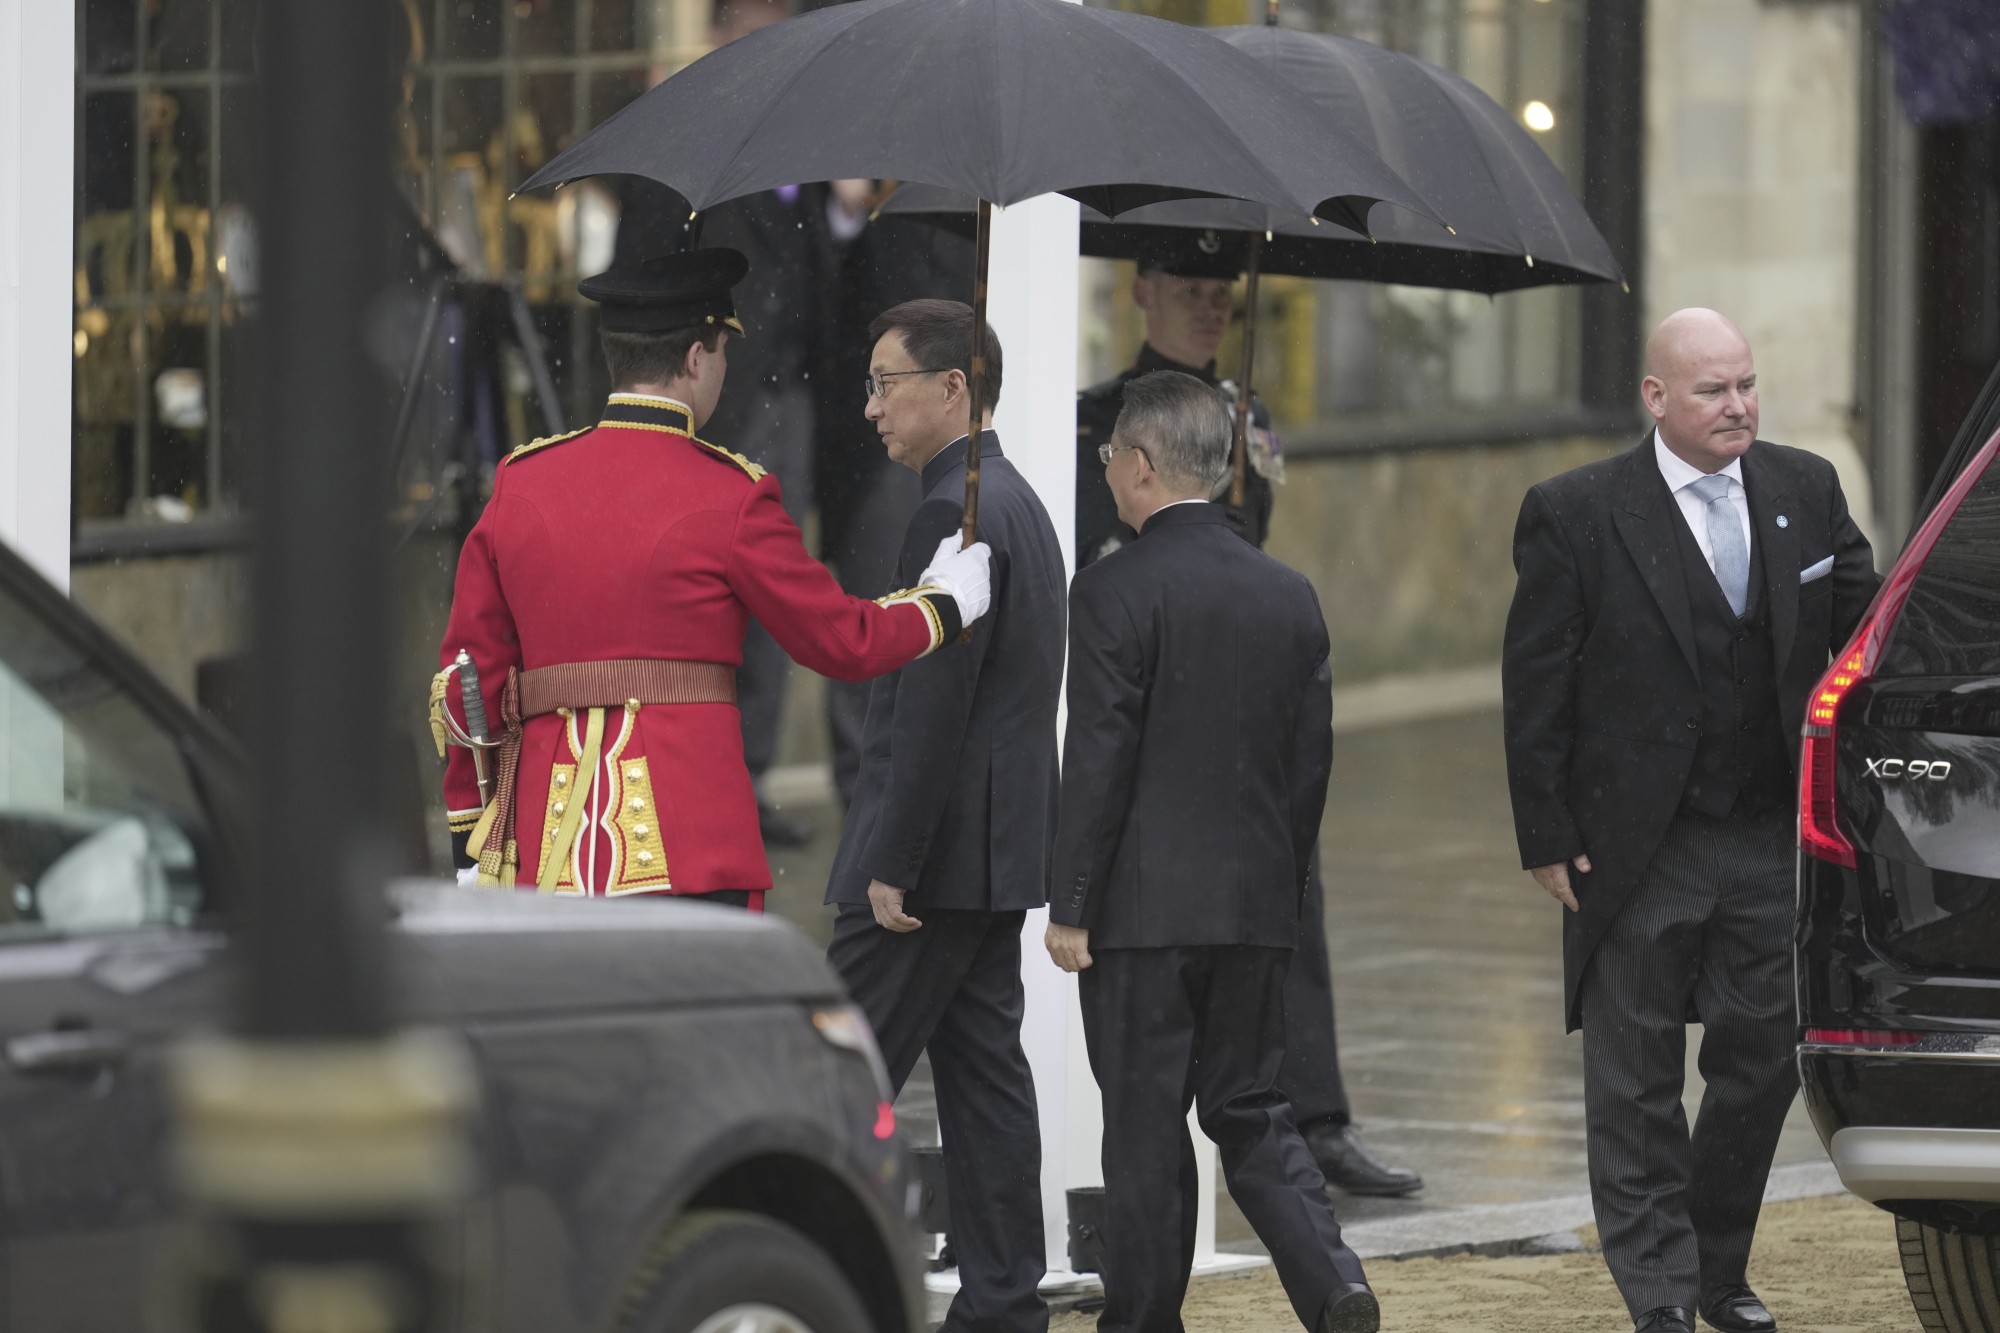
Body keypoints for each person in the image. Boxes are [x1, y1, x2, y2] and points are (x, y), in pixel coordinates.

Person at [1502, 309, 1878, 1333]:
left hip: (1764, 834)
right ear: (1655, 397)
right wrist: (1543, 828)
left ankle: (1714, 1268)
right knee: (1631, 1081)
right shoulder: (1574, 512)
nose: (1738, 405)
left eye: (1746, 384)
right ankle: (1660, 1292)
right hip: (1631, 842)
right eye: (1712, 390)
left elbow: (1866, 623)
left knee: (1760, 1060)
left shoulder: (1803, 487)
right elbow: (1534, 681)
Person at [431, 249, 992, 905]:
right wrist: (945, 604)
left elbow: (467, 684)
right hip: (691, 849)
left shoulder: (519, 483)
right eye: (724, 351)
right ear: (698, 357)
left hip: (543, 856)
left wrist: (469, 841)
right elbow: (844, 640)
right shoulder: (735, 494)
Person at [1077, 231, 1419, 1200]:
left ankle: (1315, 1114)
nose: (1208, 305)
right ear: (1141, 290)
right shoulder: (1100, 420)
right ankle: (1222, 1116)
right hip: (1156, 677)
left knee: (1286, 887)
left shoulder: (1246, 411)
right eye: (1186, 288)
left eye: (1219, 291)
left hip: (1241, 680)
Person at [1046, 370, 1379, 1333]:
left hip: (1143, 917)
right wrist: (1282, 879)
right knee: (1254, 1108)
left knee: (1146, 1128)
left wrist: (1071, 901)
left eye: (1111, 456)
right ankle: (1332, 1281)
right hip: (1255, 904)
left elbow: (1099, 754)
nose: (1106, 471)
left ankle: (1143, 1322)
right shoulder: (1289, 592)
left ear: (1142, 466)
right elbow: (1308, 760)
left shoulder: (1110, 587)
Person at [824, 300, 1065, 1333]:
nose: (869, 404)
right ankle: (1004, 1300)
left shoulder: (955, 511)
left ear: (952, 388)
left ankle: (809, 1271)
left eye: (886, 382)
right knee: (982, 1081)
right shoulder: (1014, 500)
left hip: (930, 860)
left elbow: (930, 701)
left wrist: (891, 856)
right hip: (992, 851)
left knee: (829, 1067)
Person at [611, 0, 839, 849]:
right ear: (724, 31)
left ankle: (749, 776)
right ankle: (694, 779)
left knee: (776, 591)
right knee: (707, 596)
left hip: (796, 397)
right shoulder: (680, 143)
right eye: (762, 23)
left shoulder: (804, 148)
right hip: (715, 400)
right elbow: (640, 275)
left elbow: (819, 268)